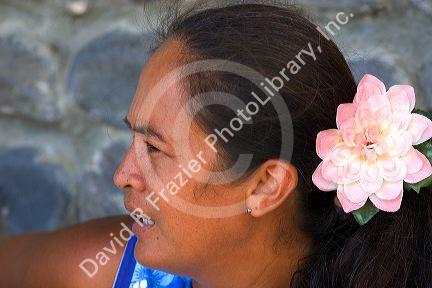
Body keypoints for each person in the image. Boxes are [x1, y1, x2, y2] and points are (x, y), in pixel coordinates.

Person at [1, 2, 431, 287]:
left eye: (155, 149)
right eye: (134, 137)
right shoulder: (105, 268)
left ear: (265, 186)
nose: (122, 175)